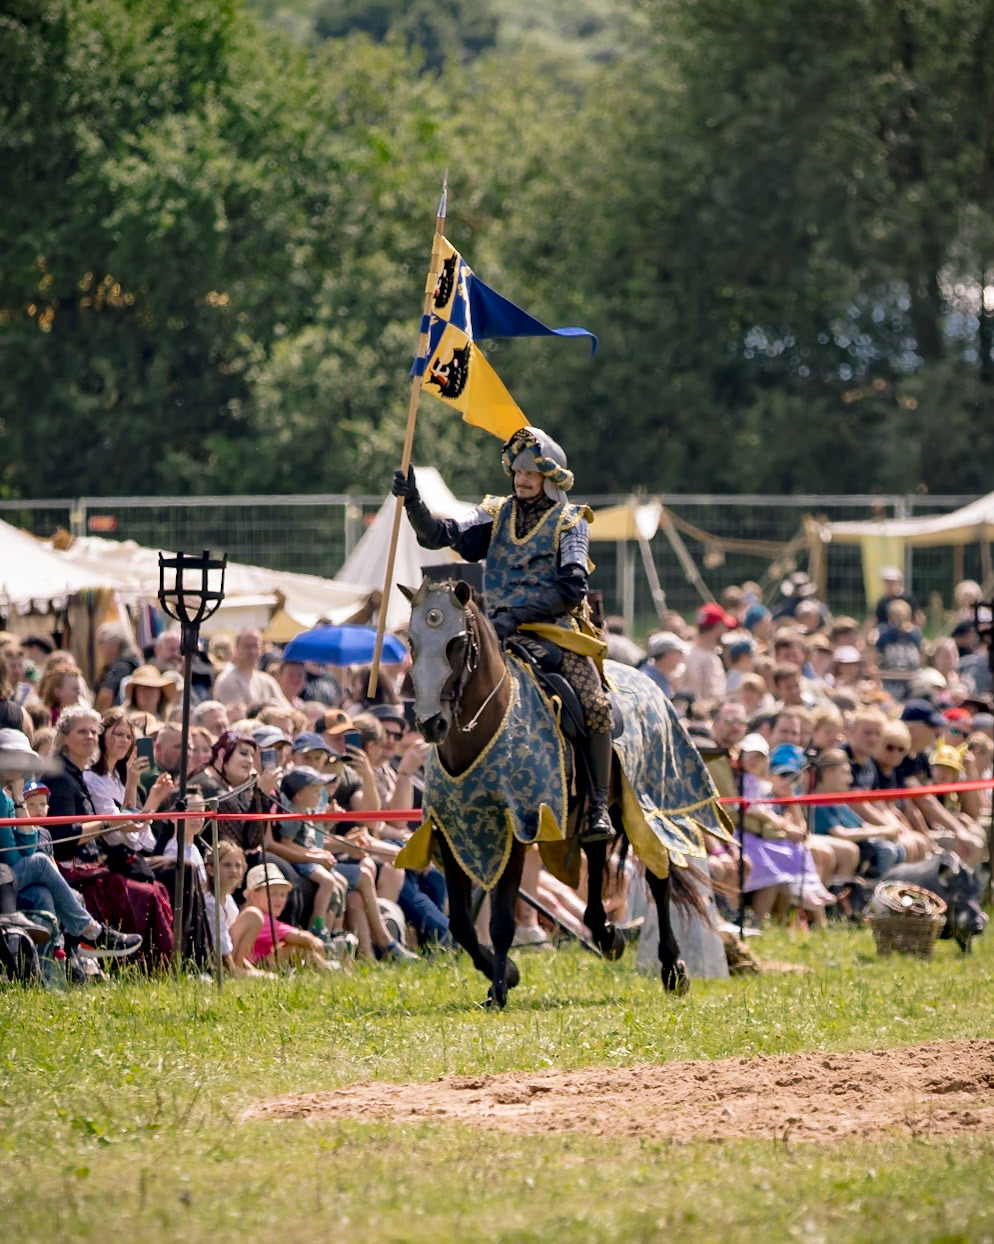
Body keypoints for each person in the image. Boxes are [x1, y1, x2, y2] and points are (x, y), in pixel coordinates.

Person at [393, 425, 614, 841]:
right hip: (493, 632)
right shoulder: (495, 512)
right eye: (517, 471)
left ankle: (598, 807)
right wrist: (413, 503)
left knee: (595, 704)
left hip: (554, 632)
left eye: (532, 472)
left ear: (551, 477)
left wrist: (518, 616)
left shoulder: (571, 521)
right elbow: (441, 535)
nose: (522, 479)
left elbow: (571, 589)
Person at [230, 863, 336, 973]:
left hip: (256, 962)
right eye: (273, 894)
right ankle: (329, 972)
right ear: (252, 895)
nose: (279, 900)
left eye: (283, 895)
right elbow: (310, 941)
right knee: (295, 949)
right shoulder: (261, 918)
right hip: (252, 965)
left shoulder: (249, 914)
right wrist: (320, 948)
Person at [212, 629, 289, 709]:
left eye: (256, 646)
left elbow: (288, 710)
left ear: (262, 649)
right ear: (236, 649)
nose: (252, 652)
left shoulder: (267, 681)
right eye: (247, 647)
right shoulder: (227, 681)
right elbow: (238, 717)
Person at [93, 622, 141, 710]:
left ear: (115, 645)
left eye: (101, 642)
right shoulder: (133, 663)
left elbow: (106, 695)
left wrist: (99, 717)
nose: (98, 647)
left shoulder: (120, 667)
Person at [639, 632, 687, 699]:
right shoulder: (647, 679)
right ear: (667, 654)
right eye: (679, 653)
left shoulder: (661, 676)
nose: (682, 656)